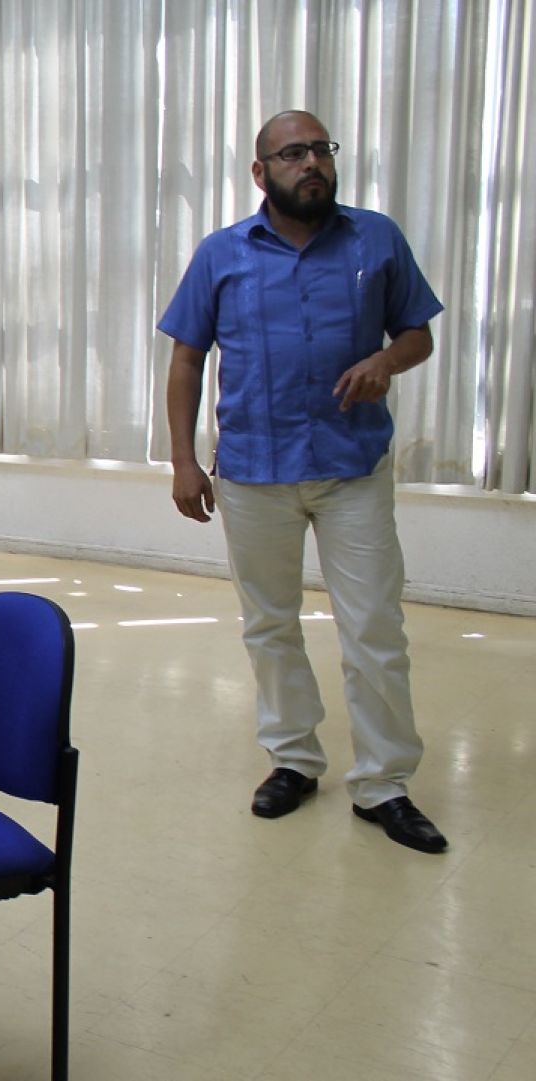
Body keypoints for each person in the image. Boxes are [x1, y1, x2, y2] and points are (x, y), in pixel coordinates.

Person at [159, 110, 447, 853]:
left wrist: (387, 360)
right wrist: (184, 460)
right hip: (255, 472)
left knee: (374, 626)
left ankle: (384, 782)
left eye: (320, 149)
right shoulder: (222, 253)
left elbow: (417, 332)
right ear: (261, 172)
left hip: (353, 468)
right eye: (292, 153)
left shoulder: (375, 238)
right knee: (270, 623)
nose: (311, 162)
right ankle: (293, 758)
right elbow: (187, 357)